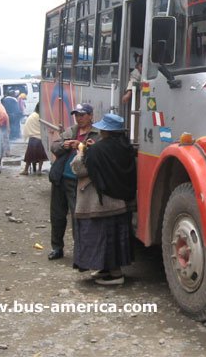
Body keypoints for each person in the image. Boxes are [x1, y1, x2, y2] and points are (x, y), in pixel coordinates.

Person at [70, 113, 136, 285]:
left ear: (106, 132)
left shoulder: (98, 150)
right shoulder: (126, 147)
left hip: (100, 204)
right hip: (120, 203)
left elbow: (79, 170)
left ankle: (115, 275)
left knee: (101, 239)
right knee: (113, 240)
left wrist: (81, 151)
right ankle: (106, 269)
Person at [47, 103, 99, 261]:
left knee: (78, 216)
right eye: (76, 115)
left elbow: (99, 152)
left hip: (79, 181)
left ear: (90, 115)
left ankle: (80, 250)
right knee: (57, 215)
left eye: (82, 115)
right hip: (61, 178)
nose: (79, 118)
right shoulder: (71, 131)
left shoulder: (96, 133)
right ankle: (57, 247)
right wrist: (64, 145)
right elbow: (54, 146)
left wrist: (81, 146)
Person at [20, 103, 48, 175]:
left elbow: (27, 126)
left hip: (33, 138)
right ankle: (39, 170)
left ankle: (26, 170)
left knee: (29, 156)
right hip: (40, 138)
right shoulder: (42, 117)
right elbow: (45, 127)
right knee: (41, 156)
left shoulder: (32, 116)